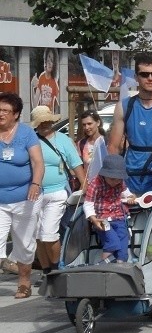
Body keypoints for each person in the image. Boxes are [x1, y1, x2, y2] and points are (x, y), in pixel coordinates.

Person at [108, 53, 152, 195]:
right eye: (145, 74)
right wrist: (115, 182)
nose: (150, 78)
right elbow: (113, 147)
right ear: (136, 77)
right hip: (131, 180)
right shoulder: (124, 106)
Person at [32, 105, 86, 275]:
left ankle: (57, 268)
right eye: (41, 122)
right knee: (38, 235)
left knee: (49, 233)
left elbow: (76, 164)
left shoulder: (62, 140)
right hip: (34, 194)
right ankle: (47, 271)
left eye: (47, 121)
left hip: (57, 191)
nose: (44, 125)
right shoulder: (31, 141)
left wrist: (85, 186)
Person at [0, 92, 44, 298]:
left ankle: (24, 282)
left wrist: (35, 183)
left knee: (25, 243)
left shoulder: (26, 133)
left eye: (5, 111)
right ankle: (7, 262)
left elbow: (37, 162)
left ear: (16, 114)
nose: (1, 114)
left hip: (26, 198)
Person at [83, 154, 136, 263]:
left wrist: (131, 197)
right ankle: (104, 266)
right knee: (112, 242)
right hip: (102, 219)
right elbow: (88, 204)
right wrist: (94, 219)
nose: (115, 182)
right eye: (112, 179)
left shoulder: (120, 182)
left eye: (118, 179)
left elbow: (126, 193)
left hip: (118, 216)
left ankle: (121, 264)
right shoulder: (95, 184)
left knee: (123, 242)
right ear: (104, 174)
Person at [31, 48, 60, 112]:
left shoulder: (54, 81)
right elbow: (34, 105)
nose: (49, 63)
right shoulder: (42, 77)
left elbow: (61, 102)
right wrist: (32, 87)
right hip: (41, 115)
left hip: (50, 117)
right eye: (48, 60)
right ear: (45, 61)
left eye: (52, 60)